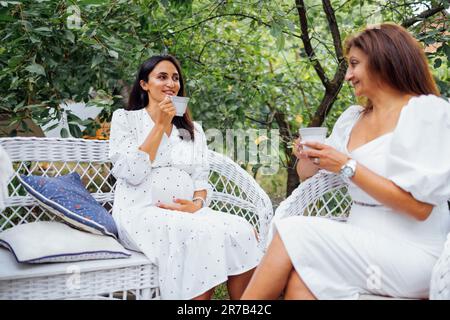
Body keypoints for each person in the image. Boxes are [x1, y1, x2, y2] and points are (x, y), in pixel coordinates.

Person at [241, 23, 450, 300]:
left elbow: (420, 208)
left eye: (354, 64)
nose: (348, 75)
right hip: (358, 242)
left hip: (413, 253)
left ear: (383, 61)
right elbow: (308, 177)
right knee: (300, 284)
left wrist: (345, 165)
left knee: (295, 230)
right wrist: (310, 157)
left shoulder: (426, 113)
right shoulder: (353, 118)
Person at [109, 55, 261, 300]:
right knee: (200, 234)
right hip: (140, 212)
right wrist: (159, 125)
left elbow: (201, 178)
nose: (171, 83)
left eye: (175, 78)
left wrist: (197, 204)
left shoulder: (192, 129)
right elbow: (132, 173)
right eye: (162, 77)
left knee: (242, 230)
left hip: (188, 213)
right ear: (144, 84)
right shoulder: (125, 119)